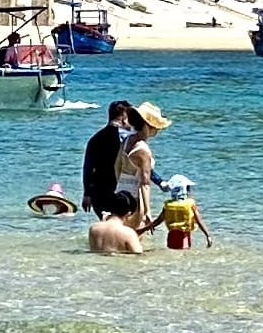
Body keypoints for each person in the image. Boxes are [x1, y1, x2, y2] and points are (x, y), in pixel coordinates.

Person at [116, 102, 171, 231]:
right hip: (135, 198)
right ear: (148, 126)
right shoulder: (143, 150)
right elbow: (145, 183)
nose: (157, 131)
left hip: (120, 194)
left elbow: (117, 166)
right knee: (134, 235)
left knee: (120, 232)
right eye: (155, 127)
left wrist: (119, 187)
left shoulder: (126, 141)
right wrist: (147, 211)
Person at [82, 101, 134, 215]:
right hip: (122, 191)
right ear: (124, 116)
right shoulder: (127, 139)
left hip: (98, 193)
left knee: (107, 223)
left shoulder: (95, 139)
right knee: (124, 224)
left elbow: (88, 168)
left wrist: (87, 194)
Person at [157, 174, 211, 250]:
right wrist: (208, 235)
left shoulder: (168, 205)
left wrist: (145, 229)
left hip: (171, 237)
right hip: (184, 237)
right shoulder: (190, 204)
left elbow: (158, 220)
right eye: (188, 188)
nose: (189, 191)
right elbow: (199, 221)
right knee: (183, 253)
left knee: (173, 252)